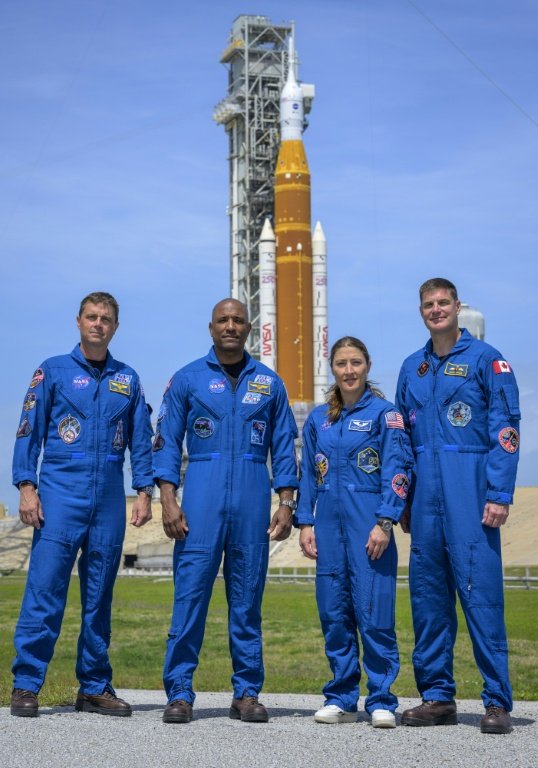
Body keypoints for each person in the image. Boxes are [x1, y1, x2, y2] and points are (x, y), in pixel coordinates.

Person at [153, 298, 299, 724]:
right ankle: (179, 692)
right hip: (201, 495)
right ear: (211, 327)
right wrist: (168, 498)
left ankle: (247, 693)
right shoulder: (187, 379)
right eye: (223, 320)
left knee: (247, 602)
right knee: (190, 599)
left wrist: (286, 502)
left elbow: (284, 446)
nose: (230, 326)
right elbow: (166, 440)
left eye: (238, 320)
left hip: (252, 497)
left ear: (249, 328)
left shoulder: (269, 383)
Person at [11, 291, 154, 718]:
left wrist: (143, 491)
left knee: (99, 597)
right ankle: (26, 684)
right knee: (45, 591)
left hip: (108, 498)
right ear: (78, 321)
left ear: (115, 326)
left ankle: (93, 686)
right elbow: (28, 430)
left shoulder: (127, 379)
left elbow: (141, 440)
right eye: (91, 317)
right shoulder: (52, 371)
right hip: (60, 494)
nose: (98, 324)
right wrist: (26, 486)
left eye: (105, 319)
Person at [395, 278, 520, 735]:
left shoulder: (487, 360)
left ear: (457, 306)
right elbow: (400, 440)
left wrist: (499, 493)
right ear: (421, 311)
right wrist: (402, 497)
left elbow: (506, 429)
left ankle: (497, 702)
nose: (436, 309)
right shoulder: (412, 368)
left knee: (481, 596)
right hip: (424, 498)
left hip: (469, 490)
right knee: (428, 599)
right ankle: (437, 697)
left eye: (443, 302)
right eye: (428, 304)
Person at [296, 336, 413, 728]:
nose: (349, 371)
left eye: (356, 363)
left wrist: (385, 522)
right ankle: (341, 697)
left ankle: (381, 699)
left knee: (374, 612)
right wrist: (306, 522)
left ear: (367, 366)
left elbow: (398, 469)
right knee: (334, 614)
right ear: (332, 368)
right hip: (329, 526)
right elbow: (308, 475)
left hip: (369, 525)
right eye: (342, 363)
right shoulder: (319, 419)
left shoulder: (385, 415)